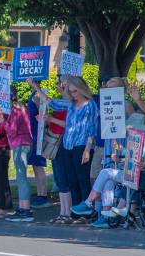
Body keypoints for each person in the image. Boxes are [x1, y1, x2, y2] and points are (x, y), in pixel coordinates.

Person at [71, 110, 145, 227]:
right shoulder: (135, 137)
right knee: (108, 180)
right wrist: (120, 155)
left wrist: (125, 157)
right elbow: (130, 154)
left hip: (140, 174)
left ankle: (88, 203)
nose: (127, 130)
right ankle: (105, 216)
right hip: (130, 172)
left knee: (106, 172)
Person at [32, 76, 97, 222]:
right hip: (68, 145)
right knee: (72, 180)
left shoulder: (90, 105)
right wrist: (36, 88)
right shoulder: (71, 105)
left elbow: (92, 129)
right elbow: (51, 103)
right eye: (71, 91)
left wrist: (87, 149)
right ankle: (75, 212)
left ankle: (86, 213)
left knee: (83, 180)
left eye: (75, 91)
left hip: (81, 146)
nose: (73, 94)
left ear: (81, 89)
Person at [6, 94, 36, 222]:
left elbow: (12, 131)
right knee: (21, 176)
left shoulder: (14, 111)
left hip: (20, 144)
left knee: (21, 177)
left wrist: (3, 122)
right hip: (26, 143)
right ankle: (23, 207)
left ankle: (26, 210)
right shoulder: (23, 109)